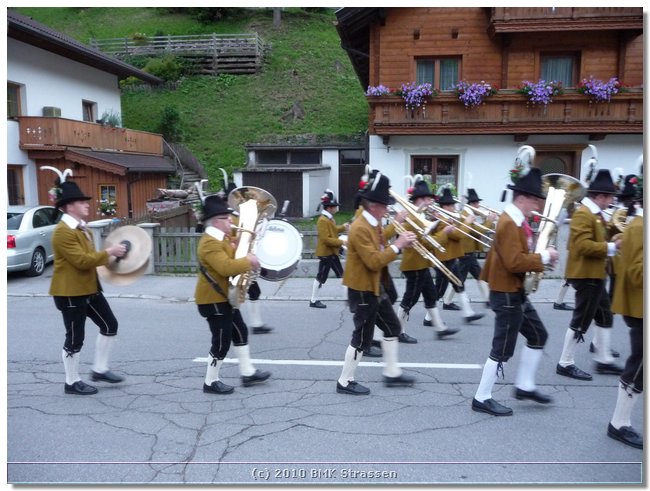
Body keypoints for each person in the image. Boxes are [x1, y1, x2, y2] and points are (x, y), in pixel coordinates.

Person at [471, 167, 559, 416]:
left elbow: (516, 256)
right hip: (506, 292)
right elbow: (514, 262)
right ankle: (482, 397)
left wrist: (539, 254)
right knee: (502, 348)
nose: (538, 206)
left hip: (514, 291)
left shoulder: (516, 220)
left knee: (538, 335)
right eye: (535, 200)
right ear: (522, 198)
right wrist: (544, 256)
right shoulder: (509, 222)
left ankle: (525, 386)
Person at [336, 170, 417, 395]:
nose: (387, 209)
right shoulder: (361, 227)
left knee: (393, 327)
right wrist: (398, 245)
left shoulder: (374, 222)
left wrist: (400, 243)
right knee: (362, 337)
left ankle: (392, 373)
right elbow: (373, 261)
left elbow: (381, 248)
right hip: (362, 289)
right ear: (374, 206)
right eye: (385, 206)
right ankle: (344, 381)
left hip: (374, 286)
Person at [48, 178, 127, 395]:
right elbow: (82, 261)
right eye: (82, 202)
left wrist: (113, 257)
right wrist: (110, 252)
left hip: (89, 288)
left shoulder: (82, 228)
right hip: (70, 292)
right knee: (75, 338)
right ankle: (71, 382)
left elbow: (91, 258)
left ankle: (100, 369)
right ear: (69, 206)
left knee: (110, 325)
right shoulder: (63, 231)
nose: (87, 204)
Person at [195, 194, 271, 394]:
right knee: (221, 340)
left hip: (223, 297)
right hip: (212, 299)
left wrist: (241, 244)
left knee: (240, 331)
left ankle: (247, 373)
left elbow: (228, 255)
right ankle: (210, 381)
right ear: (216, 222)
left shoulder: (221, 238)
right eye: (226, 218)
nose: (230, 220)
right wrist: (248, 260)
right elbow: (225, 267)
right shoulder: (209, 243)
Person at [556, 169, 623, 381]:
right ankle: (565, 362)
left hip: (595, 274)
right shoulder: (583, 214)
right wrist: (611, 247)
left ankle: (603, 359)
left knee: (605, 315)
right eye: (610, 197)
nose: (612, 201)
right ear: (600, 196)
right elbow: (582, 246)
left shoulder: (595, 215)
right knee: (582, 318)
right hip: (586, 275)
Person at [397, 179, 459, 340]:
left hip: (421, 263)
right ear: (420, 199)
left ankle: (439, 328)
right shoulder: (414, 218)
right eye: (428, 199)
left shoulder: (420, 216)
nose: (431, 202)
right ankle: (398, 331)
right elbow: (427, 242)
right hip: (414, 265)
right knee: (410, 299)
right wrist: (445, 232)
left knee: (431, 295)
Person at [607, 182, 643, 449]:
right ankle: (619, 423)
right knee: (640, 364)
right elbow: (637, 273)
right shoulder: (641, 227)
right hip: (640, 307)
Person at [433, 187, 484, 324]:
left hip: (451, 258)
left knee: (459, 284)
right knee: (439, 291)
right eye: (452, 205)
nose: (454, 208)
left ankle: (468, 313)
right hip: (444, 260)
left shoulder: (449, 218)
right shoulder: (442, 220)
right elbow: (458, 235)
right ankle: (429, 318)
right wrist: (467, 222)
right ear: (445, 206)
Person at [446, 188, 495, 308]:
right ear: (471, 204)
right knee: (458, 279)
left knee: (480, 275)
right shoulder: (466, 215)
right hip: (465, 252)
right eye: (476, 203)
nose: (479, 206)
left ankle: (488, 300)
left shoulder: (470, 214)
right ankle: (447, 302)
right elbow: (477, 231)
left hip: (469, 252)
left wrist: (486, 220)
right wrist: (489, 221)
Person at [309, 189, 348, 309]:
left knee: (341, 275)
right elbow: (326, 239)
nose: (336, 208)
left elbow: (333, 230)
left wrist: (344, 227)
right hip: (326, 253)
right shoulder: (323, 220)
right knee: (322, 277)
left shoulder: (328, 219)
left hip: (331, 253)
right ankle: (313, 300)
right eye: (335, 206)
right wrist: (342, 242)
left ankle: (349, 299)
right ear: (330, 208)